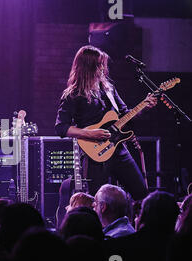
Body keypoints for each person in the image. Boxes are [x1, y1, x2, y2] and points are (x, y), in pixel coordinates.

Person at [54, 45, 157, 201]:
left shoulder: (108, 89)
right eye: (100, 64)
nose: (103, 68)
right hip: (95, 155)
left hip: (119, 149)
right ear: (89, 66)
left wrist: (144, 106)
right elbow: (61, 127)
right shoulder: (73, 94)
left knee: (141, 195)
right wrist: (89, 133)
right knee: (95, 200)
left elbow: (125, 115)